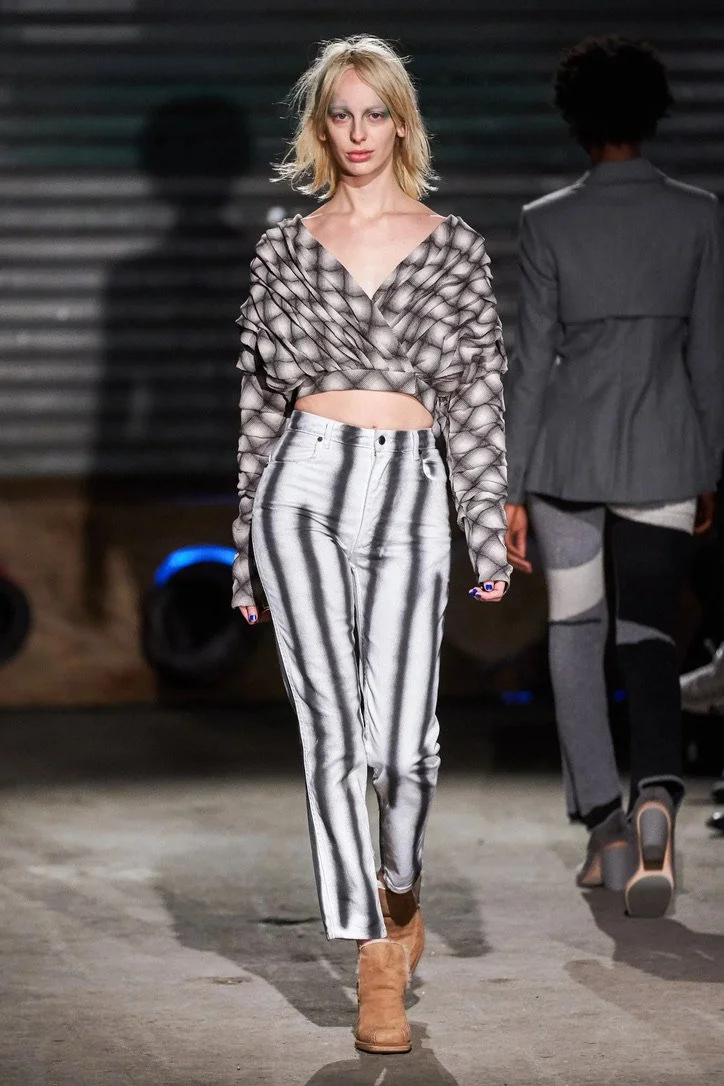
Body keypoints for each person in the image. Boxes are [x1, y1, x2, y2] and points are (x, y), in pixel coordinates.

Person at [230, 35, 510, 1053]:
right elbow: (259, 406)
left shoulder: (454, 245)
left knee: (404, 749)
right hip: (301, 484)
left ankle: (398, 879)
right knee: (332, 733)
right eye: (339, 114)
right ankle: (374, 958)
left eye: (373, 113)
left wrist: (486, 526)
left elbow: (476, 396)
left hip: (409, 487)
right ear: (321, 126)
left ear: (401, 122)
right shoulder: (285, 248)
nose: (356, 133)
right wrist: (244, 544)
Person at [504, 36, 723, 918]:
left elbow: (529, 365)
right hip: (665, 450)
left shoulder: (546, 220)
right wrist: (708, 465)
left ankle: (607, 828)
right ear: (652, 112)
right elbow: (710, 359)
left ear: (577, 121)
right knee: (649, 633)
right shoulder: (699, 216)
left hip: (566, 458)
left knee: (574, 632)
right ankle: (658, 799)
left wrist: (510, 485)